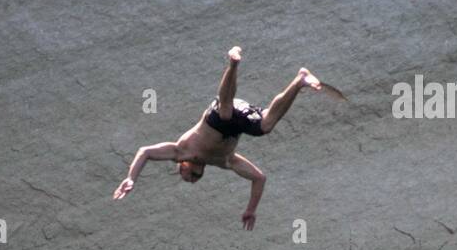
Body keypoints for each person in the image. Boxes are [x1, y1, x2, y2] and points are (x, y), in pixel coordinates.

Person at [113, 47, 324, 230]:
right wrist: (250, 210)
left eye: (190, 177)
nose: (196, 178)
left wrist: (131, 177)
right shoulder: (224, 161)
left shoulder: (180, 151)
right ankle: (300, 80)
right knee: (265, 126)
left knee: (225, 111)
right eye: (197, 179)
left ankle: (233, 64)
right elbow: (259, 178)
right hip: (237, 122)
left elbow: (145, 152)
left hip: (217, 114)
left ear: (184, 166)